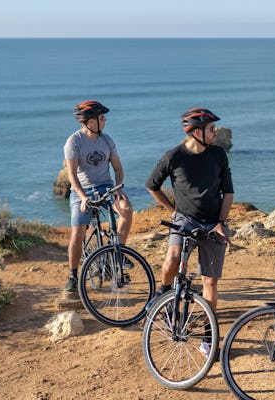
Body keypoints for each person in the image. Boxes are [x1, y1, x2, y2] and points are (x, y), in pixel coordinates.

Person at [146, 107, 234, 357]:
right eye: (211, 129)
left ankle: (208, 338)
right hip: (184, 220)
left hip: (213, 222)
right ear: (197, 132)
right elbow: (152, 185)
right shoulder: (173, 157)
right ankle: (163, 293)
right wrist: (172, 208)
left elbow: (228, 192)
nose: (215, 133)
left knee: (210, 282)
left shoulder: (218, 155)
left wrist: (221, 222)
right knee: (172, 259)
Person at [62, 100, 133, 300]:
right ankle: (73, 276)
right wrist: (83, 197)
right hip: (82, 190)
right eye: (102, 118)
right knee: (77, 232)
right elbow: (71, 175)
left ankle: (117, 253)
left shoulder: (107, 140)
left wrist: (118, 188)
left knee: (126, 209)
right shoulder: (74, 142)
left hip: (106, 187)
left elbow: (118, 168)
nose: (105, 121)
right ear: (90, 122)